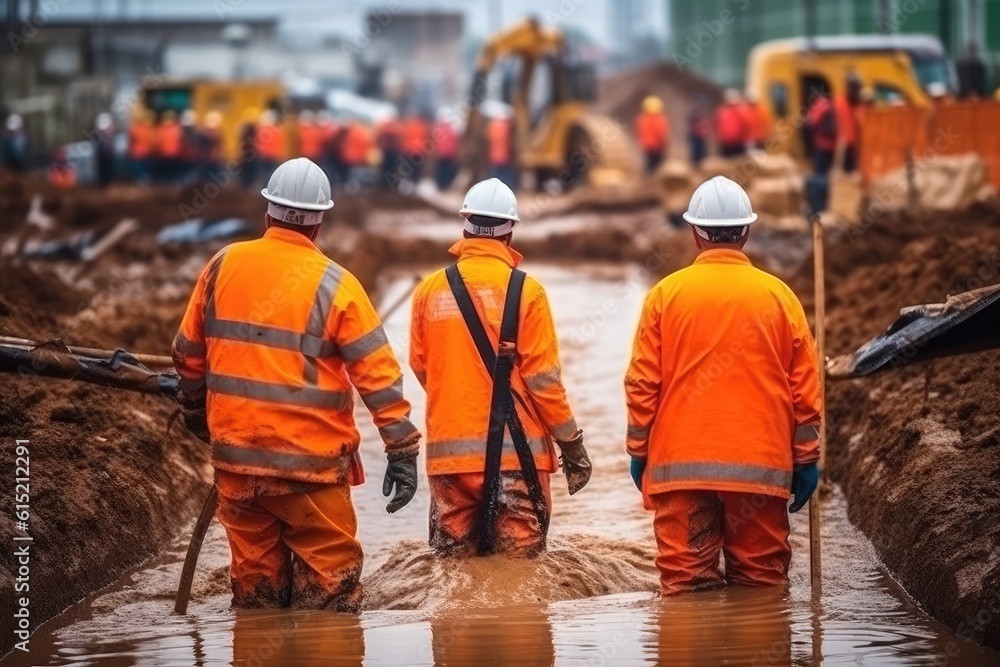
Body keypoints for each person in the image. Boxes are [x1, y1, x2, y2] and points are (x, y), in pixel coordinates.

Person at [172, 157, 421, 610]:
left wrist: (194, 411)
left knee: (255, 593)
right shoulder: (337, 284)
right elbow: (379, 378)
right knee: (329, 598)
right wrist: (401, 449)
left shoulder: (222, 265)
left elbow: (187, 355)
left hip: (238, 466)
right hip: (311, 470)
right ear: (319, 223)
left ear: (267, 212)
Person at [624, 175, 821, 595]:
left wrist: (639, 451)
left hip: (680, 468)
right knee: (761, 587)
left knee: (685, 587)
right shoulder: (780, 296)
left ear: (695, 233)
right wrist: (806, 459)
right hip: (761, 469)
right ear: (746, 232)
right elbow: (805, 390)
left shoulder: (665, 295)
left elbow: (642, 384)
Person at [410, 178, 592, 557]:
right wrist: (570, 442)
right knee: (520, 570)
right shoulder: (528, 291)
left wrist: (462, 402)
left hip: (449, 460)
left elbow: (423, 367)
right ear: (510, 232)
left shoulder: (428, 290)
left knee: (452, 569)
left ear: (465, 227)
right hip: (518, 456)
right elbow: (544, 381)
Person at [833, 74, 862, 173]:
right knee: (841, 173)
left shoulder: (858, 104)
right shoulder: (839, 102)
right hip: (842, 144)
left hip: (856, 144)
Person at [635, 95, 670, 174]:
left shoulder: (642, 119)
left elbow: (640, 133)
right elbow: (662, 133)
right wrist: (663, 143)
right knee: (658, 165)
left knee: (650, 164)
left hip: (648, 145)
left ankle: (649, 177)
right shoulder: (659, 119)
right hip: (657, 146)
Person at [715, 89, 748, 158]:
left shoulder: (740, 111)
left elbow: (745, 125)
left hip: (737, 141)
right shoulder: (722, 111)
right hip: (728, 142)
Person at [432, 109, 460, 190]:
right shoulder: (452, 129)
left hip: (441, 154)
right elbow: (455, 142)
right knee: (447, 171)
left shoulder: (439, 128)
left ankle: (440, 185)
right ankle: (445, 185)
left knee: (441, 171)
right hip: (449, 155)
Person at [487, 112, 515, 189]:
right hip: (505, 154)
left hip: (494, 154)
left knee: (496, 175)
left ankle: (494, 188)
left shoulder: (492, 125)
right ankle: (507, 188)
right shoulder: (506, 126)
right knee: (505, 175)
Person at [128, 109, 156, 183]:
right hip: (139, 152)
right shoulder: (137, 128)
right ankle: (140, 179)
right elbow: (132, 140)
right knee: (139, 169)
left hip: (145, 152)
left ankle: (142, 179)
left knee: (144, 168)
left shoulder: (146, 129)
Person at [402, 113, 429, 184]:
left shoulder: (409, 126)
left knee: (408, 167)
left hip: (409, 150)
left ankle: (408, 182)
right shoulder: (423, 128)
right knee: (416, 168)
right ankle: (415, 182)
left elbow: (405, 138)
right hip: (418, 151)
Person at [157, 109, 184, 184]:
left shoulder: (177, 129)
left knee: (173, 172)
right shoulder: (161, 129)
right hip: (163, 154)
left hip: (174, 154)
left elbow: (181, 141)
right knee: (165, 171)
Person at [686, 96, 710, 169]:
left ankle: (700, 167)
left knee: (702, 153)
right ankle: (696, 167)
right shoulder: (693, 114)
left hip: (701, 136)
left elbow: (705, 125)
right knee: (696, 154)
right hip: (695, 136)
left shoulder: (702, 114)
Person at [93, 112, 116, 188]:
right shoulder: (98, 135)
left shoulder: (110, 135)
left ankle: (108, 184)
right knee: (102, 171)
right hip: (102, 156)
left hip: (109, 155)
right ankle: (103, 185)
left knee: (109, 170)